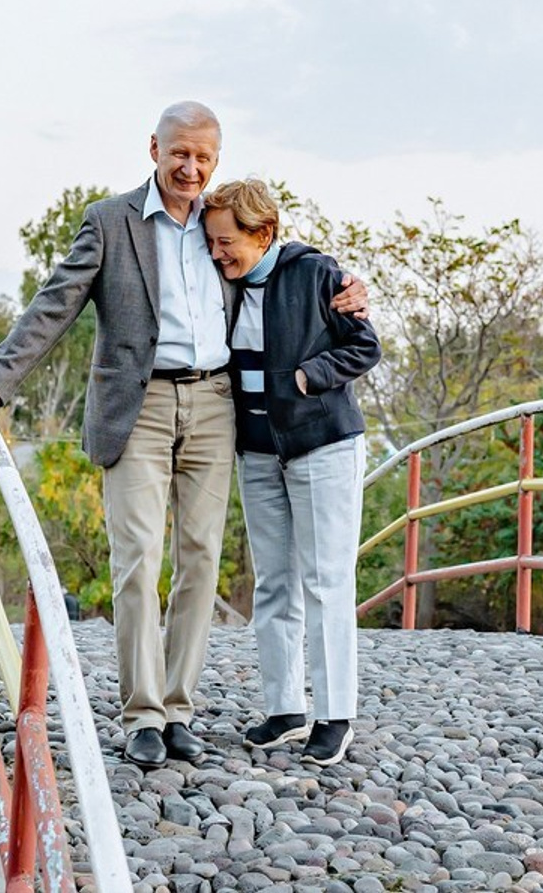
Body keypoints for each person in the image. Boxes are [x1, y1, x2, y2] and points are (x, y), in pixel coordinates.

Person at [0, 102, 365, 770]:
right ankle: (142, 713)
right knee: (138, 560)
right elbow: (52, 305)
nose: (190, 167)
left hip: (213, 402)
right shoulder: (111, 222)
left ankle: (179, 709)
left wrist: (346, 288)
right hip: (138, 405)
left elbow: (279, 257)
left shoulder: (218, 225)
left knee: (201, 560)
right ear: (154, 148)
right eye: (180, 153)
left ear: (215, 162)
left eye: (203, 158)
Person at [203, 179, 380, 768]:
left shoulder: (315, 274)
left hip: (322, 445)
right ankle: (285, 709)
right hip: (257, 453)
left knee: (326, 580)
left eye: (227, 241)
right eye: (211, 241)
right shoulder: (221, 285)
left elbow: (364, 346)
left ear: (265, 233)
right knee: (274, 583)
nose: (217, 252)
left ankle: (335, 715)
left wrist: (308, 377)